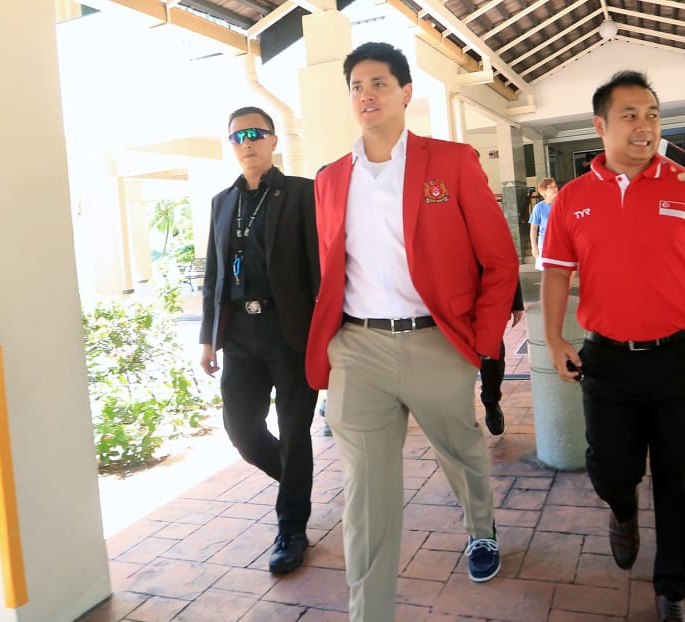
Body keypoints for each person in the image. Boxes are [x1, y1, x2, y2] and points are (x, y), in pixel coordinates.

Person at [305, 42, 519, 622]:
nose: (365, 94)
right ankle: (368, 612)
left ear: (405, 92)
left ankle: (481, 529)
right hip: (358, 348)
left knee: (462, 450)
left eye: (378, 83)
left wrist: (480, 344)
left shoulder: (451, 162)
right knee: (365, 495)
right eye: (355, 85)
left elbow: (499, 261)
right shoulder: (329, 179)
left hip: (435, 342)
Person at [540, 70, 685, 622]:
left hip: (681, 358)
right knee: (610, 467)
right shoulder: (571, 199)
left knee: (679, 476)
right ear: (600, 125)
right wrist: (552, 335)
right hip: (607, 359)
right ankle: (622, 509)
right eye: (630, 115)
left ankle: (673, 589)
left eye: (653, 114)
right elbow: (557, 275)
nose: (645, 126)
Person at [199, 106, 320, 575]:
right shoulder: (221, 202)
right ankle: (296, 483)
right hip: (241, 337)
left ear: (273, 141)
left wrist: (323, 331)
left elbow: (318, 268)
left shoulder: (302, 194)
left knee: (294, 432)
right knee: (242, 431)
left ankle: (291, 526)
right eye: (237, 137)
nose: (246, 142)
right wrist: (209, 339)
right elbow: (213, 274)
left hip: (289, 333)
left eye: (255, 134)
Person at [479, 280, 524, 435]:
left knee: (492, 356)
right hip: (449, 298)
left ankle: (491, 401)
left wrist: (516, 302)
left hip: (487, 299)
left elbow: (506, 259)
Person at [528, 177, 558, 270]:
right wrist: (534, 247)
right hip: (545, 243)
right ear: (543, 191)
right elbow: (533, 229)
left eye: (555, 186)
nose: (555, 189)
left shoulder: (562, 204)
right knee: (548, 271)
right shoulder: (538, 207)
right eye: (551, 187)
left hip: (561, 243)